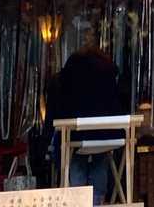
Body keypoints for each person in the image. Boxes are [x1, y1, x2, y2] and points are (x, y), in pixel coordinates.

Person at [48, 34, 125, 205]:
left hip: (79, 134)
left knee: (76, 157)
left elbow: (63, 103)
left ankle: (78, 200)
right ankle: (96, 200)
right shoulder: (107, 68)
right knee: (100, 158)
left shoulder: (73, 67)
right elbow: (118, 103)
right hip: (107, 135)